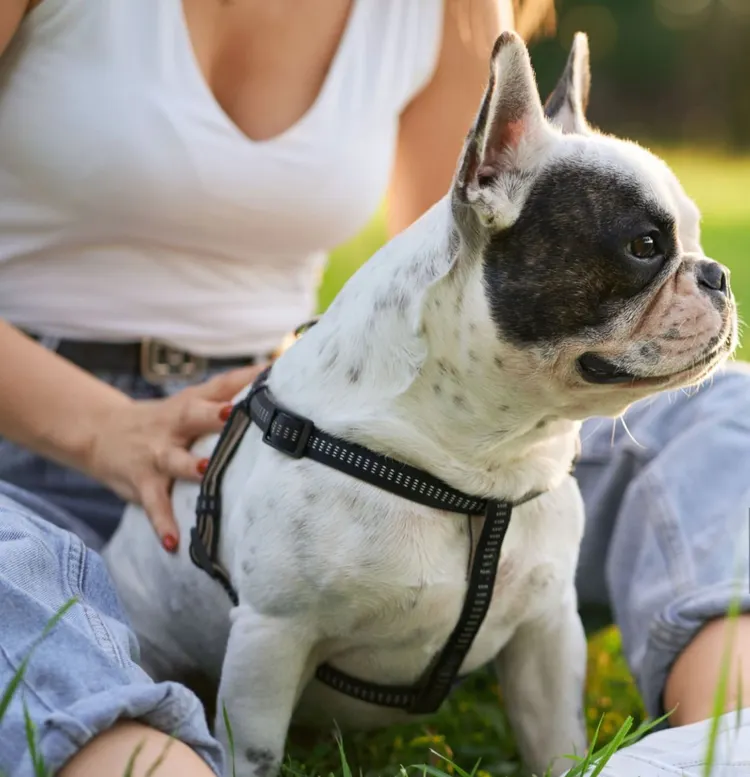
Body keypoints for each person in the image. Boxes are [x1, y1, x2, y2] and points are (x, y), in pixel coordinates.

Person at [0, 0, 747, 775]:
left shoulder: (451, 11)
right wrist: (102, 428)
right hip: (39, 438)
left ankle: (726, 736)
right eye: (647, 253)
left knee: (727, 411)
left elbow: (453, 263)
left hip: (316, 433)